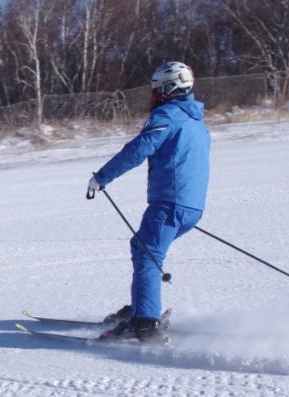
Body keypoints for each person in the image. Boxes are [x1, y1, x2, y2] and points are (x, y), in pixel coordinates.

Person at [87, 61, 210, 342]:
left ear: (169, 87)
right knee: (144, 248)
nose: (153, 95)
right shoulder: (196, 121)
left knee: (147, 254)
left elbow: (140, 148)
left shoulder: (167, 115)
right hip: (190, 206)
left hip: (169, 204)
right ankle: (143, 308)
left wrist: (102, 176)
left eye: (156, 89)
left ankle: (144, 324)